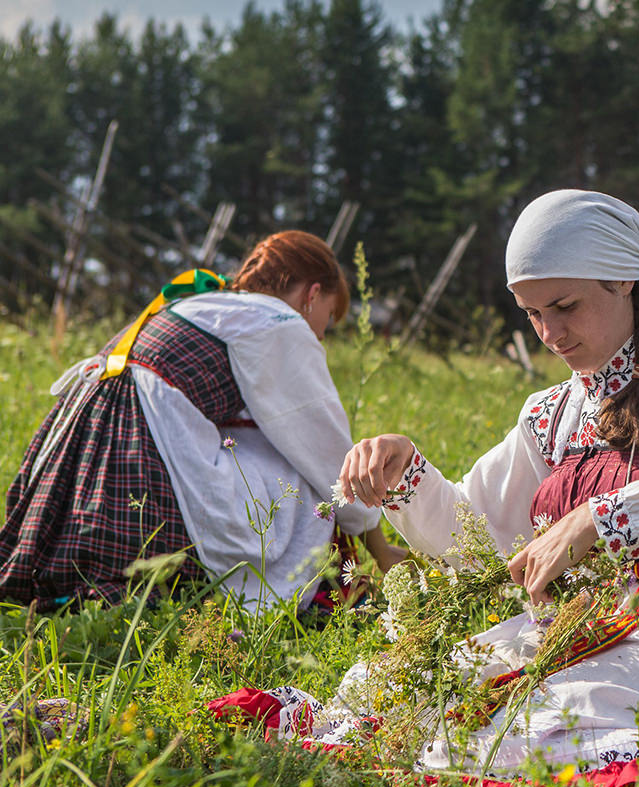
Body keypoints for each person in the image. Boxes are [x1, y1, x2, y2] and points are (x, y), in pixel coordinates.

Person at [286, 190, 639, 787]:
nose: (550, 333)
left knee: (541, 728)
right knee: (391, 692)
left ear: (624, 282)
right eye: (532, 313)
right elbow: (473, 536)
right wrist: (406, 470)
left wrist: (600, 517)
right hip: (586, 620)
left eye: (565, 306)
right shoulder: (553, 414)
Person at [0, 231, 403, 608]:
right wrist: (381, 550)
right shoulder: (279, 323)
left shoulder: (207, 306)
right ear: (313, 295)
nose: (320, 337)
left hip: (87, 427)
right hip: (140, 431)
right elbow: (328, 454)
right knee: (303, 483)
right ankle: (315, 593)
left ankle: (76, 590)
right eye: (327, 321)